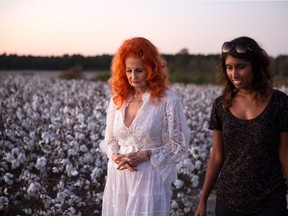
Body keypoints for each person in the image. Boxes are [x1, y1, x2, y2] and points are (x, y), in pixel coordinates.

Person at [195, 36, 288, 216]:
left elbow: (285, 154)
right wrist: (203, 200)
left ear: (256, 66)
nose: (234, 74)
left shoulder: (280, 103)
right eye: (229, 67)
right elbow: (216, 156)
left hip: (270, 202)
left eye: (241, 67)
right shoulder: (221, 105)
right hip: (228, 202)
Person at [99, 37, 190, 216]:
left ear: (151, 69)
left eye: (139, 70)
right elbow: (110, 139)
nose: (133, 76)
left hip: (149, 178)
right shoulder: (118, 100)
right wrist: (115, 155)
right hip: (119, 176)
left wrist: (147, 154)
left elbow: (179, 146)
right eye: (129, 70)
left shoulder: (168, 101)